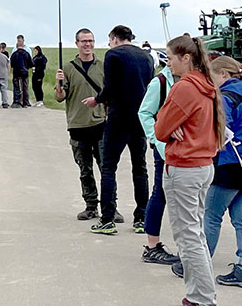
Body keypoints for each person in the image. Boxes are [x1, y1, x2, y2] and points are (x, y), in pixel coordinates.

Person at [153, 35, 222, 306]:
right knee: (195, 234)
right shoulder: (207, 86)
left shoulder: (185, 88)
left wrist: (169, 125)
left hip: (184, 167)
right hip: (202, 165)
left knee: (188, 237)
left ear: (186, 58)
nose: (167, 64)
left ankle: (203, 301)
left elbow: (160, 129)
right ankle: (200, 296)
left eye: (169, 58)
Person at [202, 56, 242, 290]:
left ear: (224, 75)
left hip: (228, 162)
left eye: (213, 75)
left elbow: (219, 130)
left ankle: (200, 263)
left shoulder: (225, 98)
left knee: (212, 215)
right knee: (241, 218)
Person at [86, 25, 154, 234]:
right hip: (140, 117)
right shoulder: (147, 57)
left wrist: (96, 99)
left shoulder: (113, 55)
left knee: (109, 167)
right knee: (139, 167)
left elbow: (111, 87)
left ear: (115, 38)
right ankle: (141, 217)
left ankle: (107, 218)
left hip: (118, 117)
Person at [55, 29, 105, 220]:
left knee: (106, 170)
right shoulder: (67, 68)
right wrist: (59, 84)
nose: (88, 45)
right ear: (76, 43)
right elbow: (60, 97)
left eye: (91, 41)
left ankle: (110, 206)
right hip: (77, 124)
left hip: (100, 123)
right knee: (85, 170)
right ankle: (91, 205)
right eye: (84, 41)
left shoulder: (102, 66)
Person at [136, 57, 180, 266]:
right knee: (160, 194)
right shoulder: (160, 82)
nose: (169, 62)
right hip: (165, 149)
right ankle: (152, 246)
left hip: (188, 149)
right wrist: (156, 139)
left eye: (172, 58)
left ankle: (188, 247)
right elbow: (145, 112)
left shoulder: (195, 79)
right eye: (168, 58)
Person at [10, 36, 33, 107]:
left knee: (16, 87)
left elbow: (12, 64)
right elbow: (30, 63)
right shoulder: (27, 53)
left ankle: (17, 101)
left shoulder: (14, 54)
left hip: (16, 72)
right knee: (25, 87)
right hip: (25, 72)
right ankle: (25, 102)